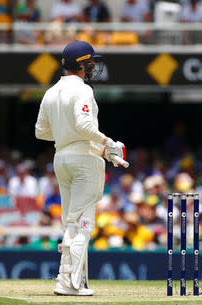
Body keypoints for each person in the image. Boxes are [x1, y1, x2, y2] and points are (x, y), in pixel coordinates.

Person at [35, 40, 128, 296]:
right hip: (84, 161)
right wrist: (108, 143)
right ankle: (68, 283)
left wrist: (68, 135)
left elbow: (41, 132)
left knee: (71, 222)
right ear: (82, 64)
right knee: (82, 223)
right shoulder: (83, 90)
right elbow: (86, 126)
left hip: (61, 158)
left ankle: (71, 279)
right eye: (90, 62)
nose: (93, 67)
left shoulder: (51, 91)